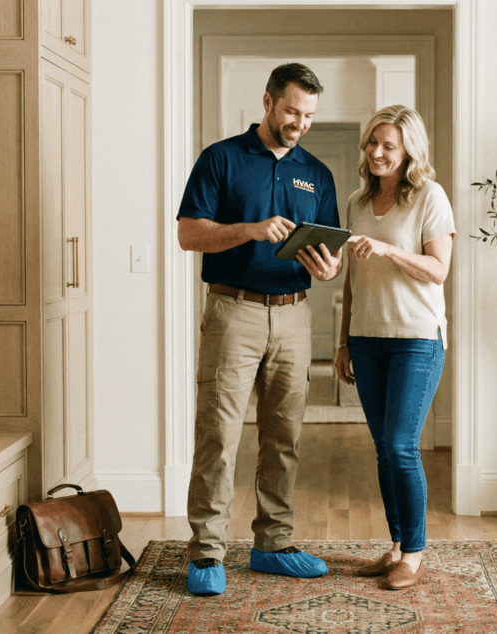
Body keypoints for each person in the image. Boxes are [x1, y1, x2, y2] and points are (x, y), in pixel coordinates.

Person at [177, 63, 344, 596]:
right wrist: (249, 230)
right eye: (292, 110)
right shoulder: (220, 158)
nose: (299, 123)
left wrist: (328, 268)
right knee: (219, 435)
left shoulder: (317, 173)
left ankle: (273, 544)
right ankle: (206, 552)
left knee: (284, 437)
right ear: (268, 101)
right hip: (234, 312)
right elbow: (188, 233)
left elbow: (331, 253)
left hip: (295, 313)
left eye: (309, 115)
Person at [335, 105, 455, 591]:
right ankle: (397, 546)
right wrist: (342, 342)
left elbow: (438, 269)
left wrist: (387, 249)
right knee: (385, 450)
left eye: (389, 145)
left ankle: (415, 553)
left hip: (417, 341)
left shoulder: (430, 197)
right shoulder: (357, 202)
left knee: (403, 447)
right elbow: (350, 281)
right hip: (366, 339)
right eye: (373, 143)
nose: (378, 152)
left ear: (409, 150)